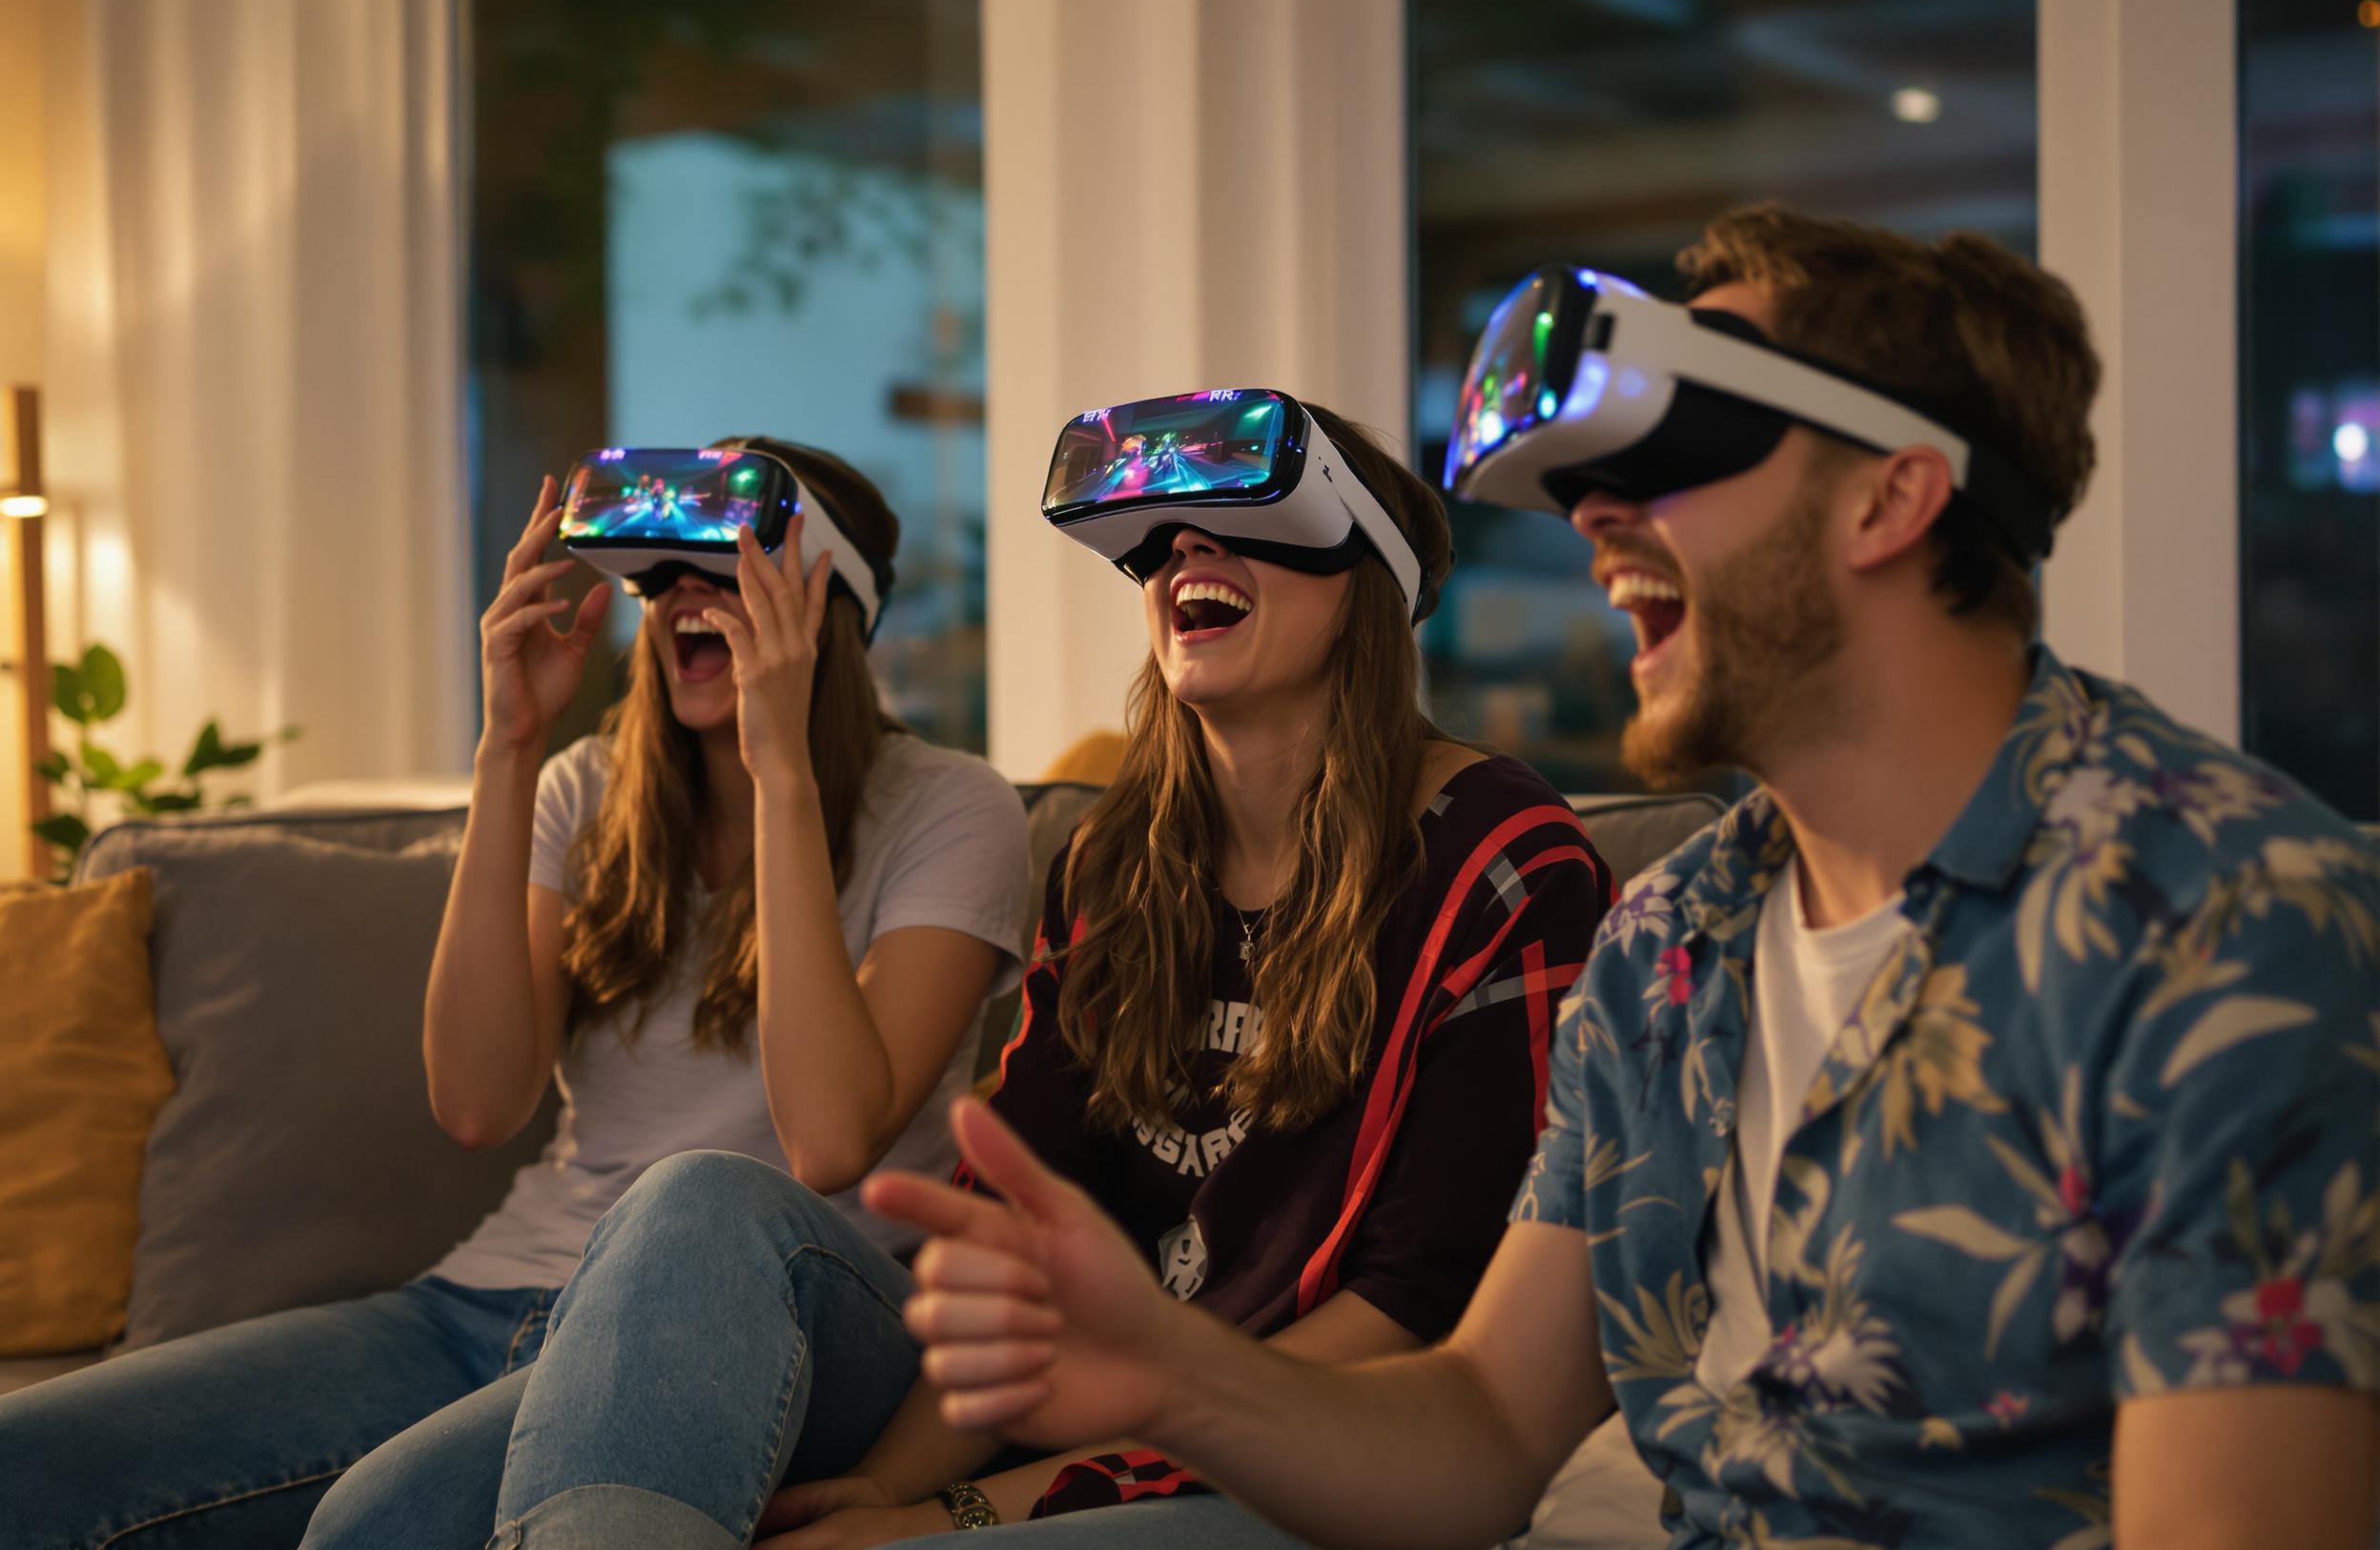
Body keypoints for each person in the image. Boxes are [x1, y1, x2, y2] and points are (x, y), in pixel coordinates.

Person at [875, 208, 2380, 1549]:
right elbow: (1477, 1434)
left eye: (1674, 453)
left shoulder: (2227, 932)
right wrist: (1173, 1372)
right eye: (1593, 479)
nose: (1595, 520)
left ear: (1891, 499)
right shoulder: (1679, 939)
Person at [461, 401, 1615, 1549]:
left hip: (1325, 1451)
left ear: (1366, 576)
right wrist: (890, 1485)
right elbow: (1016, 1222)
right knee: (385, 1511)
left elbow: (1419, 1308)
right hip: (1089, 1411)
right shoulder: (1119, 866)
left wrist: (949, 1510)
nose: (1184, 553)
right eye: (1158, 539)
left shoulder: (1503, 864)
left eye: (1241, 519)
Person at [0, 439, 1033, 1550]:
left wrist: (778, 765)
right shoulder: (584, 788)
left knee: (377, 1529)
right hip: (497, 1296)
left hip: (757, 1311)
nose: (685, 593)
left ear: (827, 609)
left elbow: (829, 1139)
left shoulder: (951, 807)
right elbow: (479, 1099)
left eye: (727, 568)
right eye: (664, 573)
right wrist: (510, 741)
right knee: (25, 1463)